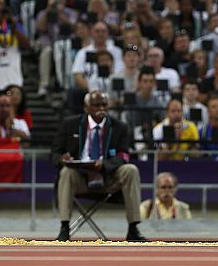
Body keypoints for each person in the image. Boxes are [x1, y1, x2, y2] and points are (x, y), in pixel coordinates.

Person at [50, 90, 147, 242]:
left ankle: (133, 228)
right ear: (86, 107)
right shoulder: (70, 124)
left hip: (109, 177)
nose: (101, 108)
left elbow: (124, 156)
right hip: (80, 178)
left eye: (104, 104)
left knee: (131, 170)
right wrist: (63, 158)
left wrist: (105, 164)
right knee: (66, 172)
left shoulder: (119, 127)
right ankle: (64, 227)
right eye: (96, 105)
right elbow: (54, 153)